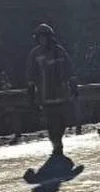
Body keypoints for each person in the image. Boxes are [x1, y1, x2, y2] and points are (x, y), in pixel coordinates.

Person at [26, 23, 78, 157]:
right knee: (50, 122)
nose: (43, 40)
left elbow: (69, 68)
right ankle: (56, 145)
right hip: (45, 95)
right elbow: (31, 74)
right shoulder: (35, 53)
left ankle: (59, 139)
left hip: (61, 93)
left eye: (45, 37)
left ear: (50, 37)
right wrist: (31, 92)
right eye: (40, 37)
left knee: (62, 121)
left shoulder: (59, 51)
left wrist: (73, 85)